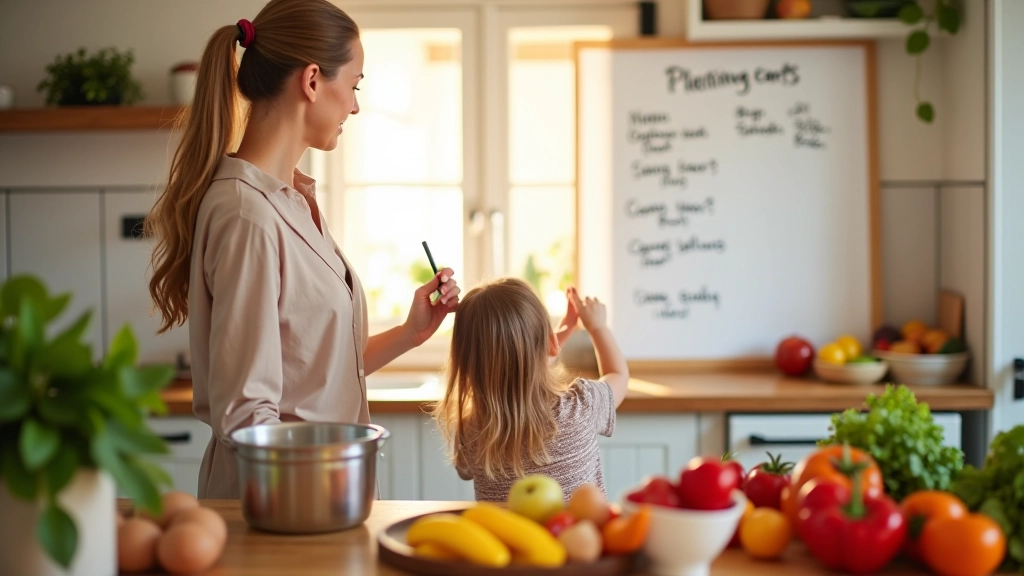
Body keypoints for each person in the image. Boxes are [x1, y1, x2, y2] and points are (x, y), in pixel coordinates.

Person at [146, 0, 460, 499]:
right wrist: (326, 496)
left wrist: (410, 333)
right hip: (283, 507)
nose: (355, 106)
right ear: (312, 81)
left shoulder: (292, 201)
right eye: (354, 85)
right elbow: (247, 415)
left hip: (313, 500)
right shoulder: (248, 214)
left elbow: (313, 367)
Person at [431, 278, 629, 502]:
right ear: (551, 346)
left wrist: (560, 333)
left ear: (464, 363)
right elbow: (618, 375)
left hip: (503, 537)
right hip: (576, 536)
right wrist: (597, 327)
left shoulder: (471, 427)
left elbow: (513, 362)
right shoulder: (582, 404)